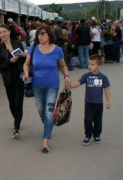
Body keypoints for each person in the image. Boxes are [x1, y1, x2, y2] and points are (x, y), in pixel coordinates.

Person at [23, 25, 71, 153]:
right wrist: (26, 73)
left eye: (42, 33)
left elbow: (63, 65)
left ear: (49, 35)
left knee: (49, 112)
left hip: (52, 85)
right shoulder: (33, 48)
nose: (39, 35)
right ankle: (48, 126)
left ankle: (46, 140)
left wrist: (66, 76)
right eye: (38, 33)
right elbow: (26, 64)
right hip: (37, 85)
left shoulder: (57, 50)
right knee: (41, 109)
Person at [68, 54, 110, 146]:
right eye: (89, 64)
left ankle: (97, 135)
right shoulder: (86, 75)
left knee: (98, 120)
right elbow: (78, 83)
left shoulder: (103, 77)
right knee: (87, 120)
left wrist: (108, 101)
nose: (89, 66)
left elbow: (106, 88)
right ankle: (88, 135)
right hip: (88, 103)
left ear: (99, 66)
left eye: (92, 64)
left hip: (99, 103)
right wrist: (71, 86)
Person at [0, 24, 27, 138]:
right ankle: (17, 119)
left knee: (19, 102)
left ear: (9, 32)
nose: (2, 34)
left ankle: (16, 127)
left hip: (19, 78)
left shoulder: (17, 43)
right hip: (8, 80)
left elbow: (24, 60)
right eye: (0, 33)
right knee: (12, 103)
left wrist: (24, 55)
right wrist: (10, 61)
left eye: (4, 31)